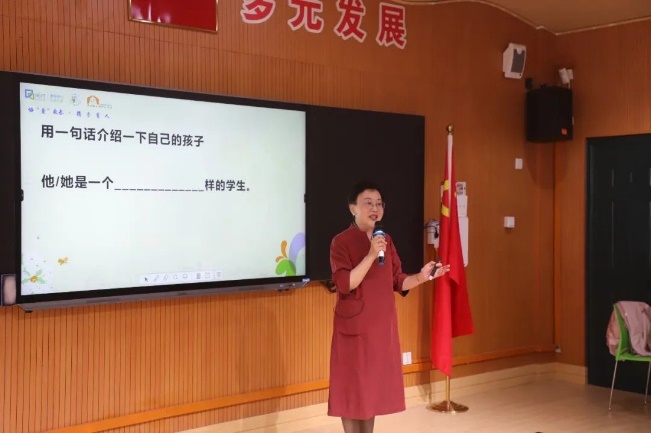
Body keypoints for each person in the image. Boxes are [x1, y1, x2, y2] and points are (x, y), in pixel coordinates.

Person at [327, 181, 450, 433]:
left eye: (379, 204)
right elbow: (345, 284)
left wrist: (423, 276)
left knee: (370, 391)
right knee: (352, 390)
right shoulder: (341, 241)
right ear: (353, 208)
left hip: (381, 329)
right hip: (353, 330)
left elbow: (398, 281)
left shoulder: (386, 240)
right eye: (368, 203)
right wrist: (371, 255)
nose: (375, 208)